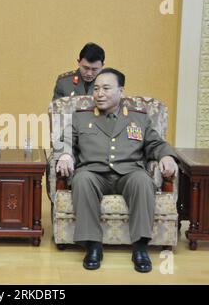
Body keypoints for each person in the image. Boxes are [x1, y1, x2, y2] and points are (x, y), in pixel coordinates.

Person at [56, 68, 178, 273]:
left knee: (143, 181)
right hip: (93, 172)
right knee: (81, 180)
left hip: (129, 172)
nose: (99, 93)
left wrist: (166, 156)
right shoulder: (81, 117)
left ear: (121, 91)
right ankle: (93, 245)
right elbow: (66, 141)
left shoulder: (138, 118)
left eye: (106, 88)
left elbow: (155, 144)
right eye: (96, 89)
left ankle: (140, 246)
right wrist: (66, 154)